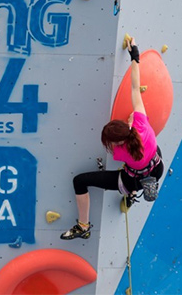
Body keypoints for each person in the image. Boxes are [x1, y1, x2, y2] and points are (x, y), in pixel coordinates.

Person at [60, 37, 164, 240]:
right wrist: (135, 56)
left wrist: (134, 54)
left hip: (131, 177)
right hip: (156, 166)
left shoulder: (121, 152)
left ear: (116, 143)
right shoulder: (141, 124)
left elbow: (127, 153)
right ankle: (137, 190)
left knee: (80, 181)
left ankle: (83, 226)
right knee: (147, 157)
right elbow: (136, 88)